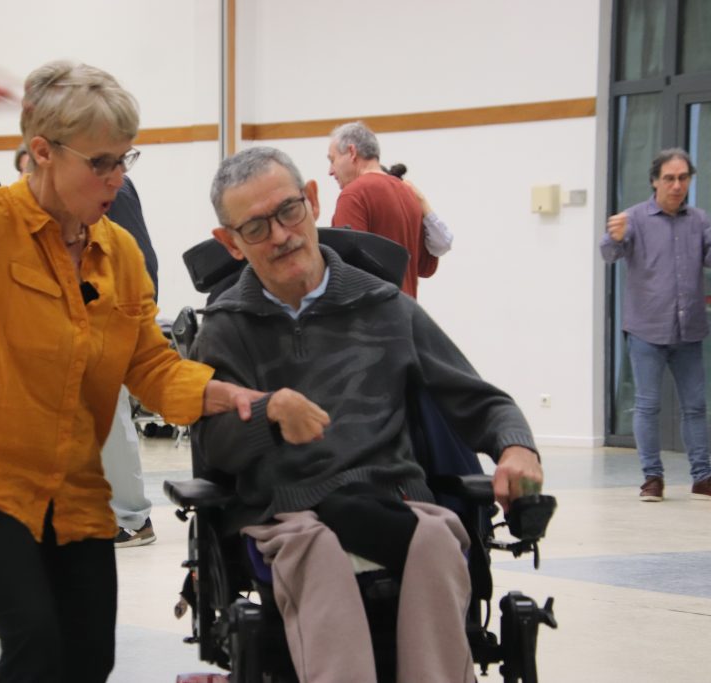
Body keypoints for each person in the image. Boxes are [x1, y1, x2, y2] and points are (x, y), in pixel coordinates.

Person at [0, 60, 259, 683]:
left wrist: (219, 393)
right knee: (35, 645)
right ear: (43, 152)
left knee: (88, 660)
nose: (116, 177)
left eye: (125, 159)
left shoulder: (119, 253)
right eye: (100, 162)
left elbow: (147, 362)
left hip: (73, 490)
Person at [193, 146, 544, 682]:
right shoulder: (226, 328)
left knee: (437, 540)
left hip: (394, 501)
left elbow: (481, 400)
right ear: (231, 243)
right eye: (256, 227)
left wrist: (516, 446)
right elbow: (215, 447)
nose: (282, 235)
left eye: (289, 211)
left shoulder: (386, 306)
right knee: (320, 553)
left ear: (312, 200)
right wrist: (268, 414)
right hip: (289, 515)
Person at [600, 148, 711, 502]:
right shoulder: (633, 218)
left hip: (689, 329)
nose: (677, 185)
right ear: (655, 181)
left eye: (683, 178)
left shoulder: (700, 220)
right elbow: (608, 254)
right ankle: (652, 478)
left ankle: (703, 476)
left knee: (695, 406)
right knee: (648, 405)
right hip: (647, 329)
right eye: (669, 178)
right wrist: (614, 237)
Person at [103, 176, 160, 547]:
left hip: (112, 317)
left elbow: (138, 259)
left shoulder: (112, 188)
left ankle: (131, 517)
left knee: (109, 418)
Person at [328, 121, 439, 297]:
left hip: (372, 318)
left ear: (352, 152)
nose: (330, 171)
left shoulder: (354, 194)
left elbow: (348, 273)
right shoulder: (409, 193)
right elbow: (426, 267)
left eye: (332, 160)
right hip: (407, 315)